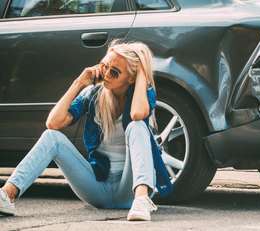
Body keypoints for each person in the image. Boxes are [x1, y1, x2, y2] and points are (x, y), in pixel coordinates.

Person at [0, 40, 173, 221]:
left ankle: (141, 200)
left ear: (132, 77)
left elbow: (138, 114)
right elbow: (53, 123)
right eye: (105, 66)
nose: (106, 74)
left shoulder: (144, 94)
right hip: (98, 189)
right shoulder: (93, 93)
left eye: (115, 72)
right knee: (52, 137)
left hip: (129, 190)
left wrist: (142, 73)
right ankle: (7, 195)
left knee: (137, 126)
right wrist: (79, 83)